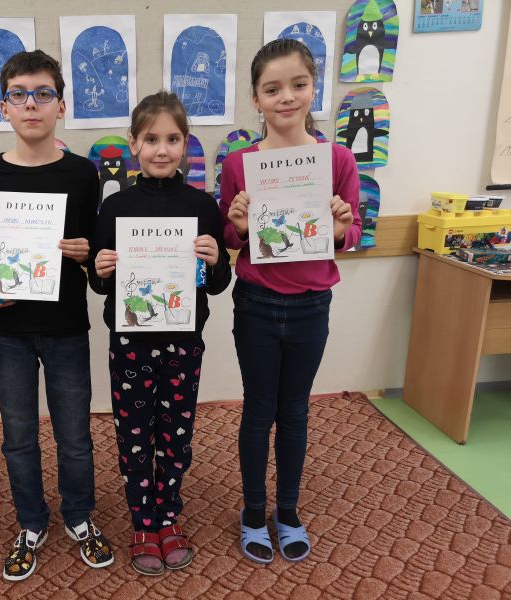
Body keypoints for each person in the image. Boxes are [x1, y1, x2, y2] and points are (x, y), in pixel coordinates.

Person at [0, 50, 113, 582]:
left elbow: (95, 250)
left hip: (66, 325)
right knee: (18, 437)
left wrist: (85, 253)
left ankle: (79, 515)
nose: (31, 104)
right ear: (3, 107)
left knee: (74, 435)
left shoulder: (82, 173)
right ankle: (31, 522)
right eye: (19, 94)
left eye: (43, 94)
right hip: (8, 329)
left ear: (61, 106)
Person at [219, 38, 361, 564]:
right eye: (272, 89)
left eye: (298, 85)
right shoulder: (240, 164)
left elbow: (352, 234)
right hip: (256, 303)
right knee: (259, 409)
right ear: (255, 99)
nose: (286, 97)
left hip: (310, 304)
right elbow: (230, 237)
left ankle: (289, 510)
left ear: (313, 88)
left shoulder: (337, 159)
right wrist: (237, 226)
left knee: (295, 411)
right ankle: (254, 511)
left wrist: (341, 228)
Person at [91, 91, 231, 575]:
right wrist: (101, 268)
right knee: (133, 434)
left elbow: (215, 284)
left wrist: (216, 260)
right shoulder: (115, 208)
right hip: (130, 343)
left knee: (175, 434)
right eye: (151, 139)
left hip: (183, 341)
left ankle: (168, 515)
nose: (161, 149)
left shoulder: (202, 206)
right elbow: (99, 282)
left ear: (185, 144)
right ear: (134, 143)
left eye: (172, 139)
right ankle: (142, 522)